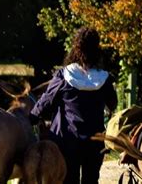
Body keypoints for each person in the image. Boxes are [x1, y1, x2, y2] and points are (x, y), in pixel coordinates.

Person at [30, 27, 117, 184]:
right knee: (91, 180)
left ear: (76, 48)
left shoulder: (64, 76)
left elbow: (46, 101)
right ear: (97, 49)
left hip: (67, 141)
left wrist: (31, 117)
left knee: (69, 180)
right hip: (94, 142)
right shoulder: (104, 79)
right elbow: (113, 104)